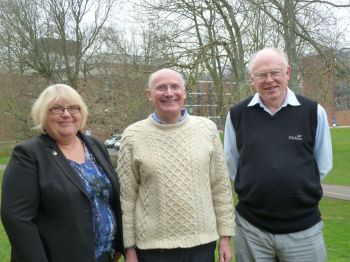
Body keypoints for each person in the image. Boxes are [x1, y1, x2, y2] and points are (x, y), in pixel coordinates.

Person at [224, 47, 333, 262]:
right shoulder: (237, 115)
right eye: (262, 75)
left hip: (303, 230)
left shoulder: (313, 112)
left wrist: (294, 188)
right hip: (251, 230)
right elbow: (231, 164)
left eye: (275, 72)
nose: (269, 80)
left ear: (288, 73)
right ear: (251, 79)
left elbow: (323, 164)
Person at [117, 68, 235, 262]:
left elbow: (220, 187)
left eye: (175, 86)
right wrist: (129, 248)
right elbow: (126, 199)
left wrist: (225, 237)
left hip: (201, 245)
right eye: (161, 87)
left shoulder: (207, 129)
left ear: (185, 92)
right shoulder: (132, 136)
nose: (169, 93)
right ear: (149, 94)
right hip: (152, 249)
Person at [1, 84, 124, 262]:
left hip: (106, 255)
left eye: (74, 108)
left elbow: (111, 199)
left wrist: (118, 243)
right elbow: (17, 219)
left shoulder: (95, 145)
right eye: (56, 109)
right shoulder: (29, 154)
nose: (66, 114)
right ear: (43, 115)